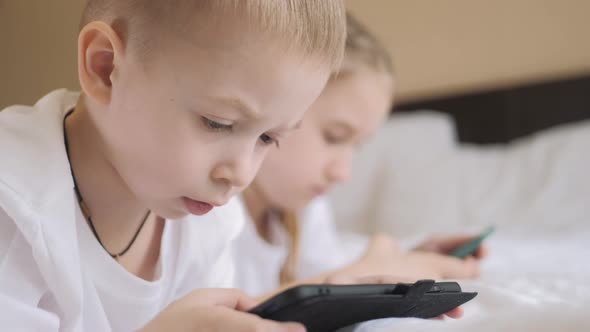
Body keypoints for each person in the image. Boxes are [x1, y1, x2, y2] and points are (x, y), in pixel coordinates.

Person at [0, 1, 346, 331]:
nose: (241, 174)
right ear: (105, 69)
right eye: (218, 123)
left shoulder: (210, 224)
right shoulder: (14, 207)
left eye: (268, 138)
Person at [234, 13, 487, 299]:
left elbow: (326, 283)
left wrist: (403, 262)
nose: (343, 173)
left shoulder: (302, 210)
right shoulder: (207, 206)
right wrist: (364, 273)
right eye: (335, 137)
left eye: (357, 147)